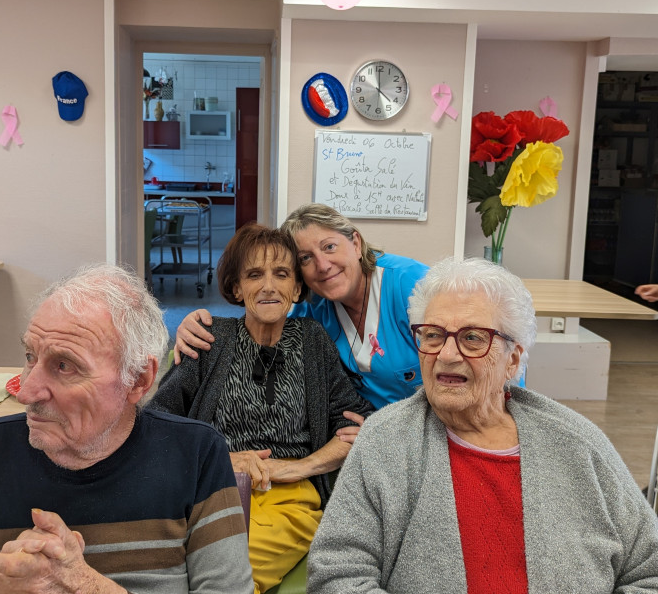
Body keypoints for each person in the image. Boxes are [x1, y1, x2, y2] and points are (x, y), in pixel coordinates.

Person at [307, 256, 658, 594]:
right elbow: (337, 572)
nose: (446, 354)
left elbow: (649, 570)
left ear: (513, 361)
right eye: (432, 335)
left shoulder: (579, 443)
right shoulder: (384, 442)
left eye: (473, 337)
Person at [0, 264, 253, 594]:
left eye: (65, 365)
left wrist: (85, 586)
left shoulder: (195, 453)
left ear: (139, 380)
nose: (28, 392)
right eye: (30, 357)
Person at [148, 224, 374, 594]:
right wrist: (222, 459)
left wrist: (298, 467)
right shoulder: (210, 339)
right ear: (238, 288)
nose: (269, 286)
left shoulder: (313, 341)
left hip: (289, 500)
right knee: (168, 567)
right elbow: (155, 426)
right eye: (255, 274)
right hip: (208, 494)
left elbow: (355, 425)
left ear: (297, 288)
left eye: (281, 274)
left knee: (230, 573)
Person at [174, 203, 428, 409]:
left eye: (329, 247)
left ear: (356, 243)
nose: (322, 265)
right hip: (367, 427)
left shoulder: (412, 285)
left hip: (431, 425)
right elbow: (267, 322)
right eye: (305, 258)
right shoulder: (313, 309)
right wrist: (195, 325)